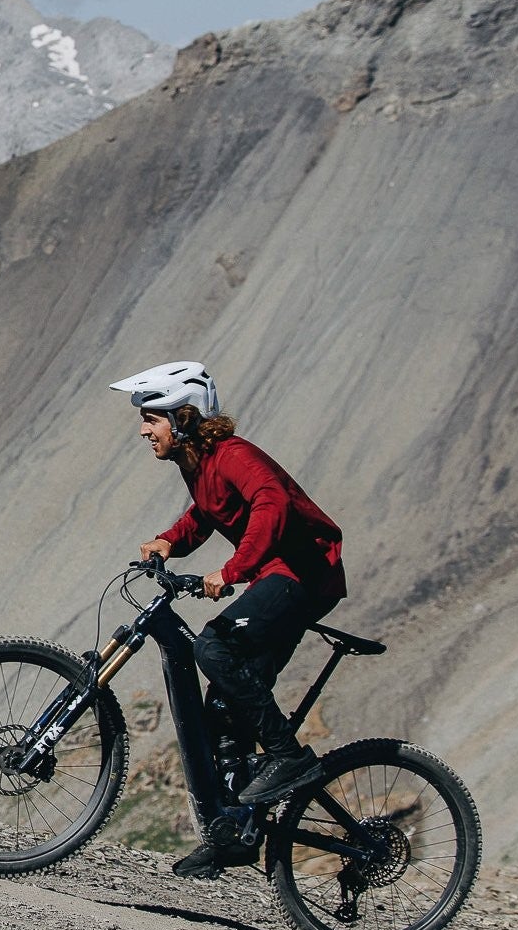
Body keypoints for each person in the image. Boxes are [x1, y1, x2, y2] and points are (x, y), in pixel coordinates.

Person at [109, 359, 346, 878]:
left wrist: (232, 570)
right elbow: (209, 511)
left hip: (304, 573)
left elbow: (270, 502)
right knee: (223, 704)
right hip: (277, 575)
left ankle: (287, 755)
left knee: (212, 647)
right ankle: (234, 833)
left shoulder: (234, 455)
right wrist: (170, 541)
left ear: (184, 417)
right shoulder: (199, 465)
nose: (144, 430)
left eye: (151, 418)